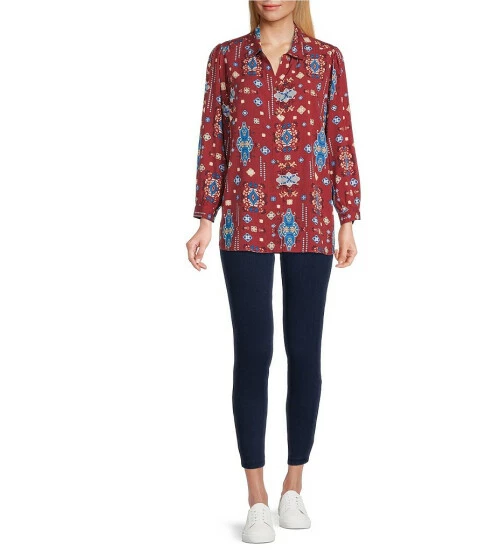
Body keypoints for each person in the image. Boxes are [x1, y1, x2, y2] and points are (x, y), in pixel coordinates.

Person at [186, 0, 361, 543]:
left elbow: (340, 137)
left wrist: (348, 219)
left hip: (310, 221)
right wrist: (204, 219)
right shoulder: (226, 57)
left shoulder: (326, 59)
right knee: (254, 352)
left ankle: (293, 486)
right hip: (244, 221)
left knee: (304, 351)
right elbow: (212, 139)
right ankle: (256, 496)